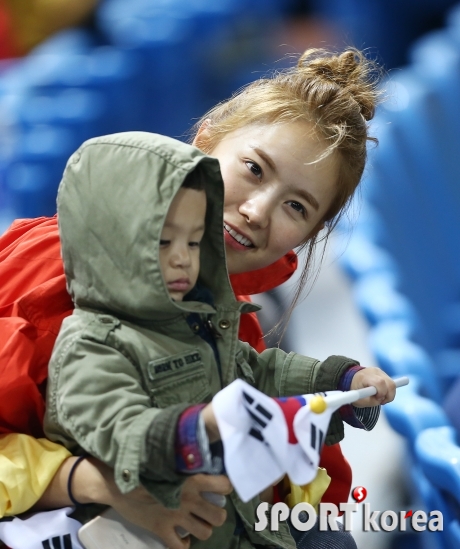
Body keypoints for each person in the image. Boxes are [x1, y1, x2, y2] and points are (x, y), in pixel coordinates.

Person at [0, 47, 389, 547]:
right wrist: (104, 486)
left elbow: (316, 490)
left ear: (310, 235)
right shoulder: (56, 272)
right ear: (203, 144)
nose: (257, 210)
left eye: (296, 206)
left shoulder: (232, 323)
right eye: (253, 169)